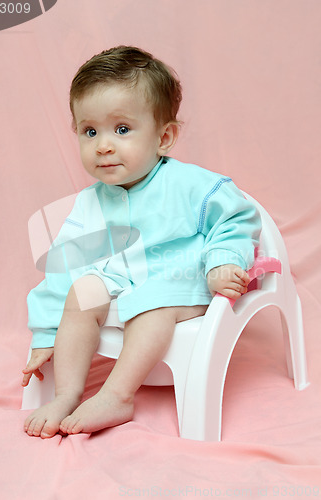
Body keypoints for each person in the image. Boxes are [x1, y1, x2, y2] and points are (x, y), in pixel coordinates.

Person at [23, 46, 261, 439]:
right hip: (124, 283)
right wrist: (45, 333)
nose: (102, 145)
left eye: (121, 130)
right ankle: (67, 393)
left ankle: (118, 395)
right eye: (89, 131)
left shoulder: (190, 185)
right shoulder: (89, 202)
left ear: (164, 137)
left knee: (153, 302)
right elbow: (63, 264)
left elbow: (237, 217)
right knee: (83, 289)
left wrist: (222, 261)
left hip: (182, 282)